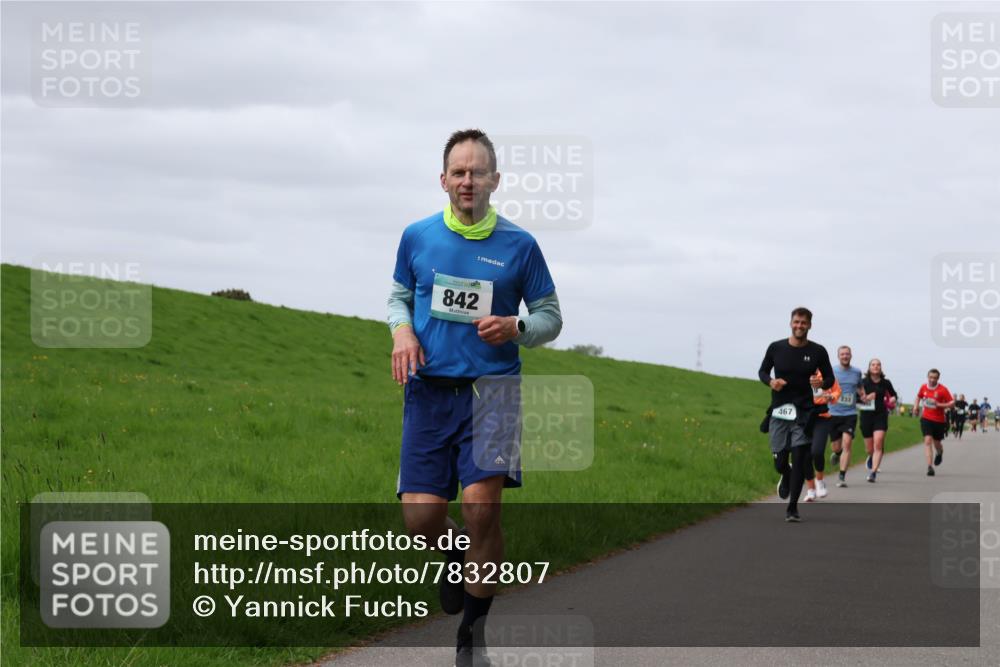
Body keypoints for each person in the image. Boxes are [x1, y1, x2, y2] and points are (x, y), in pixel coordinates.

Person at [387, 129, 563, 667]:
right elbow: (398, 294)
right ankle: (456, 554)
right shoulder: (417, 236)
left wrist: (517, 325)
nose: (468, 180)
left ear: (495, 180)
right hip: (430, 392)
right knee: (421, 520)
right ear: (443, 180)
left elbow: (551, 318)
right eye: (458, 172)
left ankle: (471, 634)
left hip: (493, 393)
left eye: (477, 171)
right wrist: (402, 331)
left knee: (481, 509)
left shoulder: (520, 246)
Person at [758, 307, 835, 522]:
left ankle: (792, 508)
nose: (799, 326)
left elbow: (829, 378)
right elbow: (762, 371)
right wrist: (771, 381)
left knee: (801, 457)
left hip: (804, 412)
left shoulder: (818, 351)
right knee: (780, 459)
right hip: (780, 410)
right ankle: (785, 472)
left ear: (810, 325)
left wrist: (821, 382)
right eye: (796, 322)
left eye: (803, 323)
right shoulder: (776, 348)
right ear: (791, 323)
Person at [827, 345, 864, 488]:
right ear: (838, 356)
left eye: (847, 354)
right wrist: (828, 394)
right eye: (842, 354)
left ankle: (842, 476)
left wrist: (863, 395)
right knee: (836, 446)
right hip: (833, 413)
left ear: (851, 355)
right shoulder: (832, 371)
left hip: (850, 414)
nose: (845, 356)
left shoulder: (857, 372)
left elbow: (860, 386)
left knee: (847, 443)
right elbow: (825, 386)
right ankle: (837, 453)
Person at [858, 359, 898, 483]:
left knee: (878, 442)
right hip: (866, 416)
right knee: (870, 449)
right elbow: (855, 400)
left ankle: (873, 472)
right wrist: (865, 398)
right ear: (869, 368)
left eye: (878, 365)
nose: (876, 366)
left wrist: (893, 399)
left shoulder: (886, 383)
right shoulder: (862, 382)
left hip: (880, 415)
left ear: (881, 368)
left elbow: (893, 395)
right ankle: (870, 456)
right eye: (873, 365)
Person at [804, 369, 841, 501]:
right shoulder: (800, 370)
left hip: (822, 417)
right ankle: (810, 489)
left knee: (817, 451)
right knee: (805, 455)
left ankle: (820, 481)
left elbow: (837, 390)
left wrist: (832, 397)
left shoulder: (825, 373)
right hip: (803, 418)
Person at [913, 369, 955, 477]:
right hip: (926, 418)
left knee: (937, 443)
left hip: (939, 421)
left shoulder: (943, 389)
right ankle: (930, 467)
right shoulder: (923, 387)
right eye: (930, 377)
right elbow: (918, 396)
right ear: (927, 377)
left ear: (938, 378)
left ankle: (940, 453)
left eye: (934, 378)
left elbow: (952, 403)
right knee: (927, 441)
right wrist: (916, 406)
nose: (932, 380)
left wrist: (939, 405)